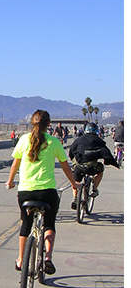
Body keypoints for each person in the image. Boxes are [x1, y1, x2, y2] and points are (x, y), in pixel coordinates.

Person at [6, 110, 78, 275]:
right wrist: (73, 183)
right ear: (48, 124)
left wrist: (10, 182)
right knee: (49, 224)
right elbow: (66, 166)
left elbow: (15, 165)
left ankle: (21, 259)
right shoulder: (54, 142)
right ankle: (48, 258)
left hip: (26, 192)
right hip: (47, 193)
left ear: (32, 123)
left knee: (26, 223)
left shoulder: (24, 140)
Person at [68, 122, 120, 208]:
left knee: (76, 181)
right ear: (96, 131)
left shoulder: (79, 140)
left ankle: (74, 198)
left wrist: (73, 158)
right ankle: (94, 190)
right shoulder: (99, 141)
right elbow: (106, 153)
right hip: (92, 167)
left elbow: (71, 151)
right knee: (100, 171)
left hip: (79, 167)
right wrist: (108, 161)